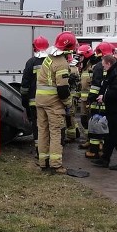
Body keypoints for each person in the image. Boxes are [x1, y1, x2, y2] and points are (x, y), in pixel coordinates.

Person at [35, 31, 77, 174]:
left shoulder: (48, 58)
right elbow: (63, 90)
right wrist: (68, 103)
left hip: (40, 101)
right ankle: (56, 165)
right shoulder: (62, 63)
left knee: (42, 132)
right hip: (53, 104)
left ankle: (43, 162)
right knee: (55, 132)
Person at [92, 54, 117, 170]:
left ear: (109, 64)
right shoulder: (115, 72)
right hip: (114, 109)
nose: (103, 68)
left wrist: (104, 97)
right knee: (110, 136)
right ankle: (105, 159)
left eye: (104, 65)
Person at [84, 41, 115, 159]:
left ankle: (94, 151)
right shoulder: (115, 64)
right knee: (107, 128)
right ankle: (104, 150)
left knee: (94, 127)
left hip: (98, 102)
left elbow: (96, 85)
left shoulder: (98, 66)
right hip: (109, 101)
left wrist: (90, 99)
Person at [20, 36, 50, 144]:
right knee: (50, 125)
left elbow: (25, 85)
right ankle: (50, 147)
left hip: (35, 101)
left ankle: (39, 149)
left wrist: (24, 101)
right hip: (51, 101)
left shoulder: (31, 62)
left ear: (34, 48)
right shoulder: (52, 61)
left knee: (37, 125)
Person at [75, 44, 96, 146]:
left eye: (81, 56)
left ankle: (94, 142)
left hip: (91, 100)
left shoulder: (93, 67)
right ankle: (89, 140)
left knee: (92, 121)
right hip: (84, 100)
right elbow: (82, 85)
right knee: (84, 120)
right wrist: (77, 95)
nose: (80, 59)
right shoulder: (84, 68)